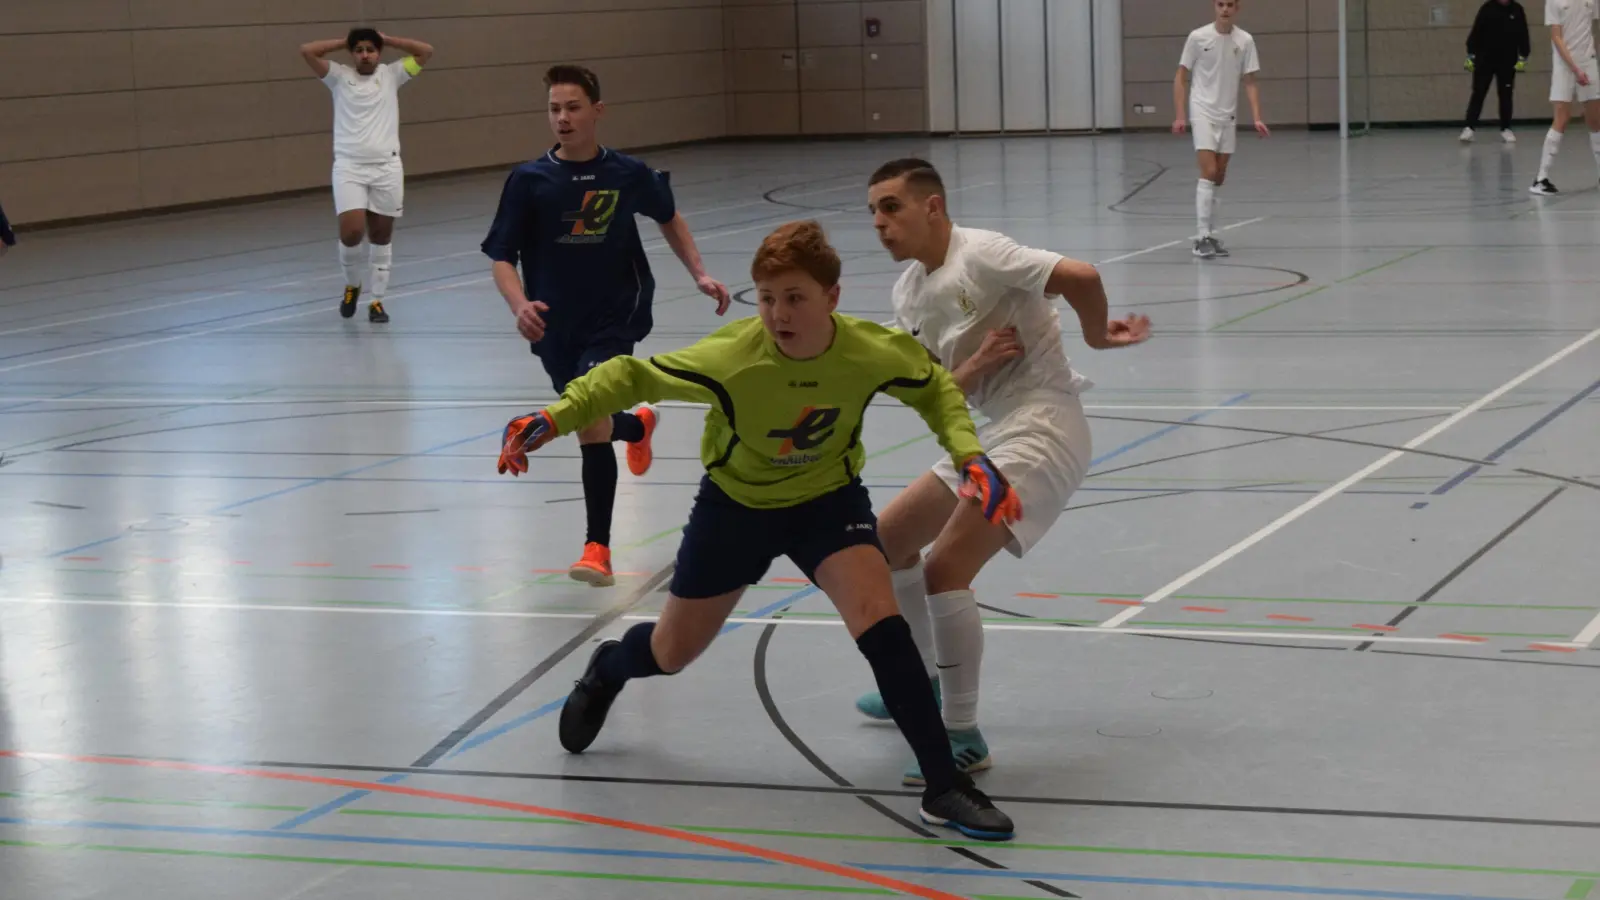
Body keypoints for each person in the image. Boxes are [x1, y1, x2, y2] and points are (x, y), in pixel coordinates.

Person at [496, 220, 1019, 840]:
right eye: (768, 299)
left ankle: (943, 786)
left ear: (832, 296)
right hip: (735, 510)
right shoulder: (734, 356)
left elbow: (935, 389)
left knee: (883, 624)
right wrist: (554, 418)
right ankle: (610, 667)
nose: (778, 314)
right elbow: (628, 379)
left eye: (795, 297)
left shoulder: (870, 350)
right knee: (672, 652)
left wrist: (969, 455)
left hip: (828, 502)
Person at [855, 159, 1152, 784]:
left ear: (932, 207)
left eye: (891, 208)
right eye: (873, 212)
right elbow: (935, 391)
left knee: (945, 568)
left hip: (1044, 427)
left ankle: (961, 732)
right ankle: (929, 680)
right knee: (889, 543)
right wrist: (977, 367)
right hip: (991, 433)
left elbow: (1081, 274)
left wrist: (1097, 336)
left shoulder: (982, 253)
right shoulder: (907, 292)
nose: (879, 224)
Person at [482, 64, 730, 587]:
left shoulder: (626, 174)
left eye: (573, 107)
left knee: (589, 414)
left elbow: (668, 214)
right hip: (555, 325)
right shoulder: (529, 181)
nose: (563, 118)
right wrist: (519, 305)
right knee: (593, 417)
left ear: (597, 111)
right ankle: (638, 424)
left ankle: (597, 548)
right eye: (554, 109)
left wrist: (700, 273)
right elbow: (501, 255)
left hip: (617, 315)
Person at [301, 27, 433, 323]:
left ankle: (377, 301)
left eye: (370, 49)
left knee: (381, 235)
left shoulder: (392, 75)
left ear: (379, 52)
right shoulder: (337, 76)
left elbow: (425, 51)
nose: (364, 55)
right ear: (352, 53)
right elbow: (308, 51)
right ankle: (352, 285)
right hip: (349, 167)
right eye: (358, 49)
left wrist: (388, 38)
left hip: (387, 168)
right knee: (351, 232)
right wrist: (344, 41)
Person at [1172, 0, 1268, 259]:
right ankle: (1200, 237)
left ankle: (1211, 234)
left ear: (1238, 9)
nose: (1225, 9)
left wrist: (1257, 117)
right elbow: (1181, 76)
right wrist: (1181, 114)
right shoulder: (1198, 37)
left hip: (1228, 114)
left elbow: (1250, 80)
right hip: (1202, 109)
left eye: (1230, 5)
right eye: (1220, 4)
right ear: (1214, 7)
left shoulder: (1245, 41)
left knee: (1220, 176)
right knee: (1209, 170)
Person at [1531, 0, 1600, 194]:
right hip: (1564, 65)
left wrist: (1589, 59)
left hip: (1588, 62)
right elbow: (1556, 37)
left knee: (1595, 119)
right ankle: (1541, 178)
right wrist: (1575, 68)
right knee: (1562, 117)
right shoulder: (1554, 1)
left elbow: (1591, 27)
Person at [1461, 0, 1532, 144]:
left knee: (1506, 95)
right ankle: (1469, 127)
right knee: (1478, 93)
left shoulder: (1517, 10)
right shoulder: (1487, 8)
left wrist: (1523, 55)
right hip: (1484, 60)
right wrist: (1471, 54)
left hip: (1507, 61)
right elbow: (1476, 31)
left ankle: (1506, 128)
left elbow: (1523, 33)